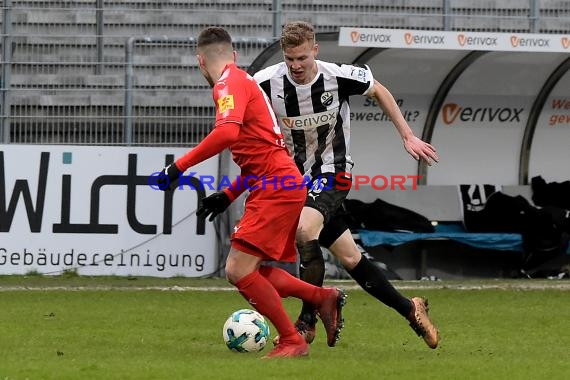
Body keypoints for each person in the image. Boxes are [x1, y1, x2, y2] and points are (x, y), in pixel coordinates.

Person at [199, 21, 441, 349]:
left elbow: (378, 89)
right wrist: (230, 192)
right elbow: (260, 144)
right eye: (290, 59)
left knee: (304, 230)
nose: (296, 66)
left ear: (315, 50)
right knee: (351, 258)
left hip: (332, 172)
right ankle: (410, 309)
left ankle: (307, 320)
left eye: (302, 58)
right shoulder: (265, 83)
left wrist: (407, 135)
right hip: (290, 182)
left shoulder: (337, 75)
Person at [154, 26, 346, 358]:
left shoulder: (228, 83)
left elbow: (227, 133)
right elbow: (256, 152)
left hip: (276, 185)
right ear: (234, 54)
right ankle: (321, 297)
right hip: (277, 182)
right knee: (252, 270)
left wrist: (177, 167)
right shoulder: (240, 81)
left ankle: (292, 339)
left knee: (237, 270)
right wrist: (228, 194)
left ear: (200, 60)